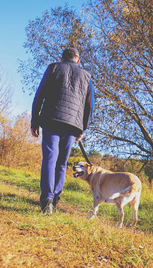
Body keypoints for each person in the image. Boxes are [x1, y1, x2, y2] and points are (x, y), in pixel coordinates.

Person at [30, 47, 94, 215]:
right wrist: (83, 128)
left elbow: (39, 95)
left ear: (62, 59)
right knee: (61, 163)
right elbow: (89, 105)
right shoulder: (86, 76)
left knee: (50, 159)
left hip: (51, 120)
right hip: (73, 125)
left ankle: (47, 201)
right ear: (78, 60)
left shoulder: (54, 68)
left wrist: (34, 121)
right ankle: (56, 199)